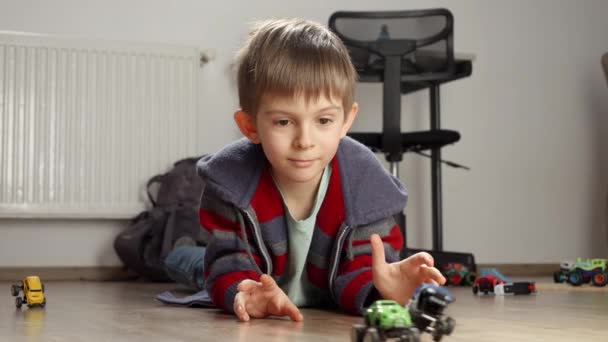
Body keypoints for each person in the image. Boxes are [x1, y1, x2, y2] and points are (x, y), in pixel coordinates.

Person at [165, 18, 445, 322]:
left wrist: (382, 290)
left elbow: (364, 268)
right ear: (250, 126)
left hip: (322, 288)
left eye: (323, 121)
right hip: (242, 269)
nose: (304, 141)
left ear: (346, 121)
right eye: (284, 122)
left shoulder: (366, 187)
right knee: (189, 263)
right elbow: (229, 262)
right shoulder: (231, 184)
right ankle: (181, 247)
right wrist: (244, 292)